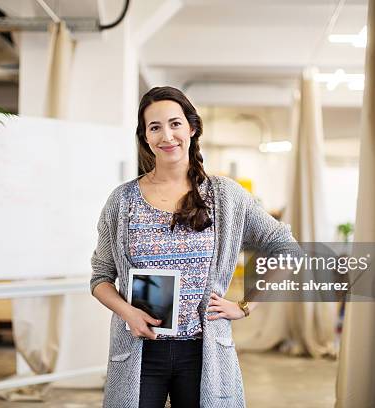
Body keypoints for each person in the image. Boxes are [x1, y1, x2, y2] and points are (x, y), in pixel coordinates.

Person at [90, 86, 298, 407]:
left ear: (192, 128)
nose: (166, 136)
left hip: (203, 353)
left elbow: (285, 247)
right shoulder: (123, 200)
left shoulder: (224, 196)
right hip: (140, 352)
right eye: (155, 127)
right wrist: (128, 312)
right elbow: (100, 278)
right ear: (145, 136)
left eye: (175, 124)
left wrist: (245, 306)